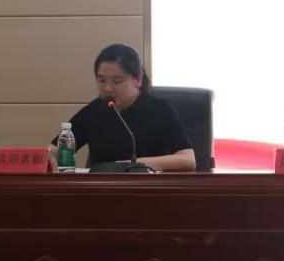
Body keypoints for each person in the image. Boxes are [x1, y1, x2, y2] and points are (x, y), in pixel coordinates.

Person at [52, 43, 196, 172]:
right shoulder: (95, 110)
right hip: (102, 188)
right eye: (102, 80)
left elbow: (188, 160)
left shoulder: (160, 110)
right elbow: (54, 151)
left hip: (148, 188)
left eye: (117, 81)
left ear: (138, 79)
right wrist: (52, 158)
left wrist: (137, 164)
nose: (107, 88)